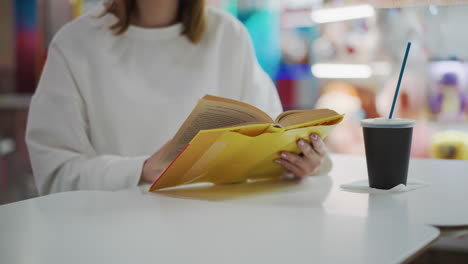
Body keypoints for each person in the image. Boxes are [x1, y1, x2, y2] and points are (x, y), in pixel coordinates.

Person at [26, 0, 329, 195]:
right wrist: (142, 169)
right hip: (112, 239)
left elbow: (271, 142)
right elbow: (55, 175)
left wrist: (300, 163)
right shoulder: (75, 43)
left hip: (217, 238)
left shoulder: (228, 35)